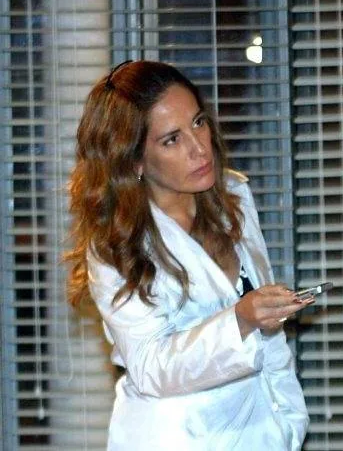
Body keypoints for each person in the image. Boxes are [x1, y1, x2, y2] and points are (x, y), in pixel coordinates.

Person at [65, 60, 310, 450]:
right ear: (134, 160)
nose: (199, 148)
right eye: (172, 140)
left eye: (198, 123)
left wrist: (290, 422)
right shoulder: (115, 245)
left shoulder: (234, 197)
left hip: (262, 434)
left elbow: (269, 338)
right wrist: (240, 319)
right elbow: (150, 367)